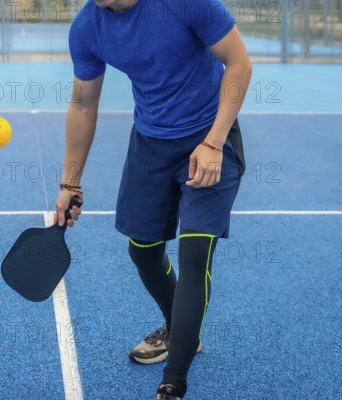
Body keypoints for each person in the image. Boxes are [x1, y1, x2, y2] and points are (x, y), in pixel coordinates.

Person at [54, 0, 252, 398]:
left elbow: (239, 63)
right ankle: (179, 330)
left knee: (195, 255)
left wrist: (213, 143)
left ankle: (173, 382)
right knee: (143, 251)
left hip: (209, 137)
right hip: (150, 143)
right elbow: (83, 103)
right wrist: (69, 184)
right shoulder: (88, 27)